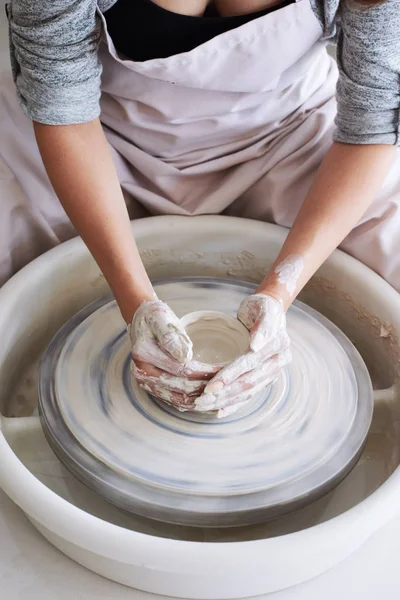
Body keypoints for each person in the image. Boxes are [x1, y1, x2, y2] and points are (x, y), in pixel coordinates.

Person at [1, 0, 399, 415]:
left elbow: (373, 124)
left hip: (286, 132)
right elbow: (63, 109)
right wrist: (135, 302)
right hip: (97, 131)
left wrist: (279, 293)